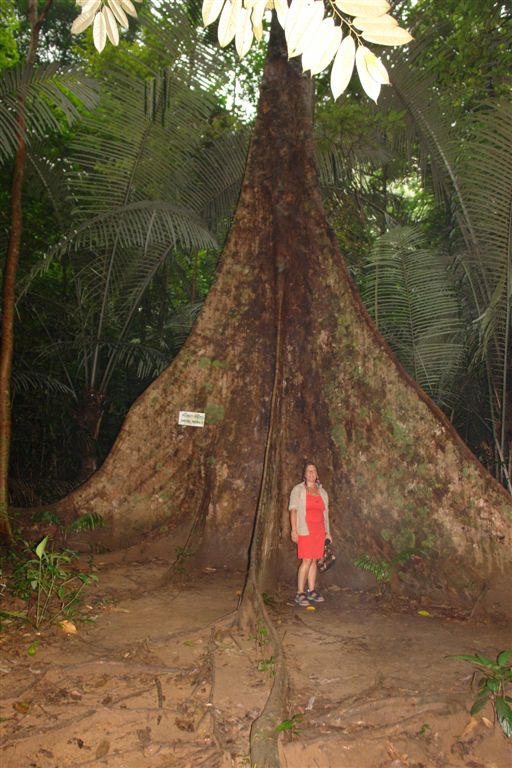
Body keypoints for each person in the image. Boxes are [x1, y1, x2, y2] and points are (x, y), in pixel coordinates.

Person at [289, 462, 332, 607]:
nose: (311, 473)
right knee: (306, 560)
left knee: (314, 560)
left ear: (317, 474)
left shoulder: (322, 492)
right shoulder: (298, 490)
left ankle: (311, 590)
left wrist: (328, 533)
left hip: (319, 531)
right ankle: (300, 593)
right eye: (309, 471)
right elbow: (293, 510)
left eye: (314, 471)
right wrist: (294, 530)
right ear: (305, 474)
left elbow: (325, 514)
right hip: (305, 529)